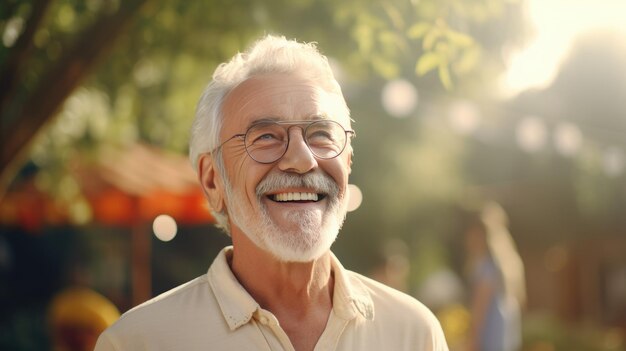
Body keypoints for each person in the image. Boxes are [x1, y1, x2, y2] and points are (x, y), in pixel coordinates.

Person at [95, 34, 449, 351]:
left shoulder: (413, 334)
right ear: (213, 180)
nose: (302, 159)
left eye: (321, 135)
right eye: (265, 136)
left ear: (348, 163)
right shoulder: (138, 342)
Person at [462, 202, 526, 351]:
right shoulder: (507, 263)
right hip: (505, 335)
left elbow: (480, 306)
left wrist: (472, 339)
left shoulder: (485, 266)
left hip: (489, 336)